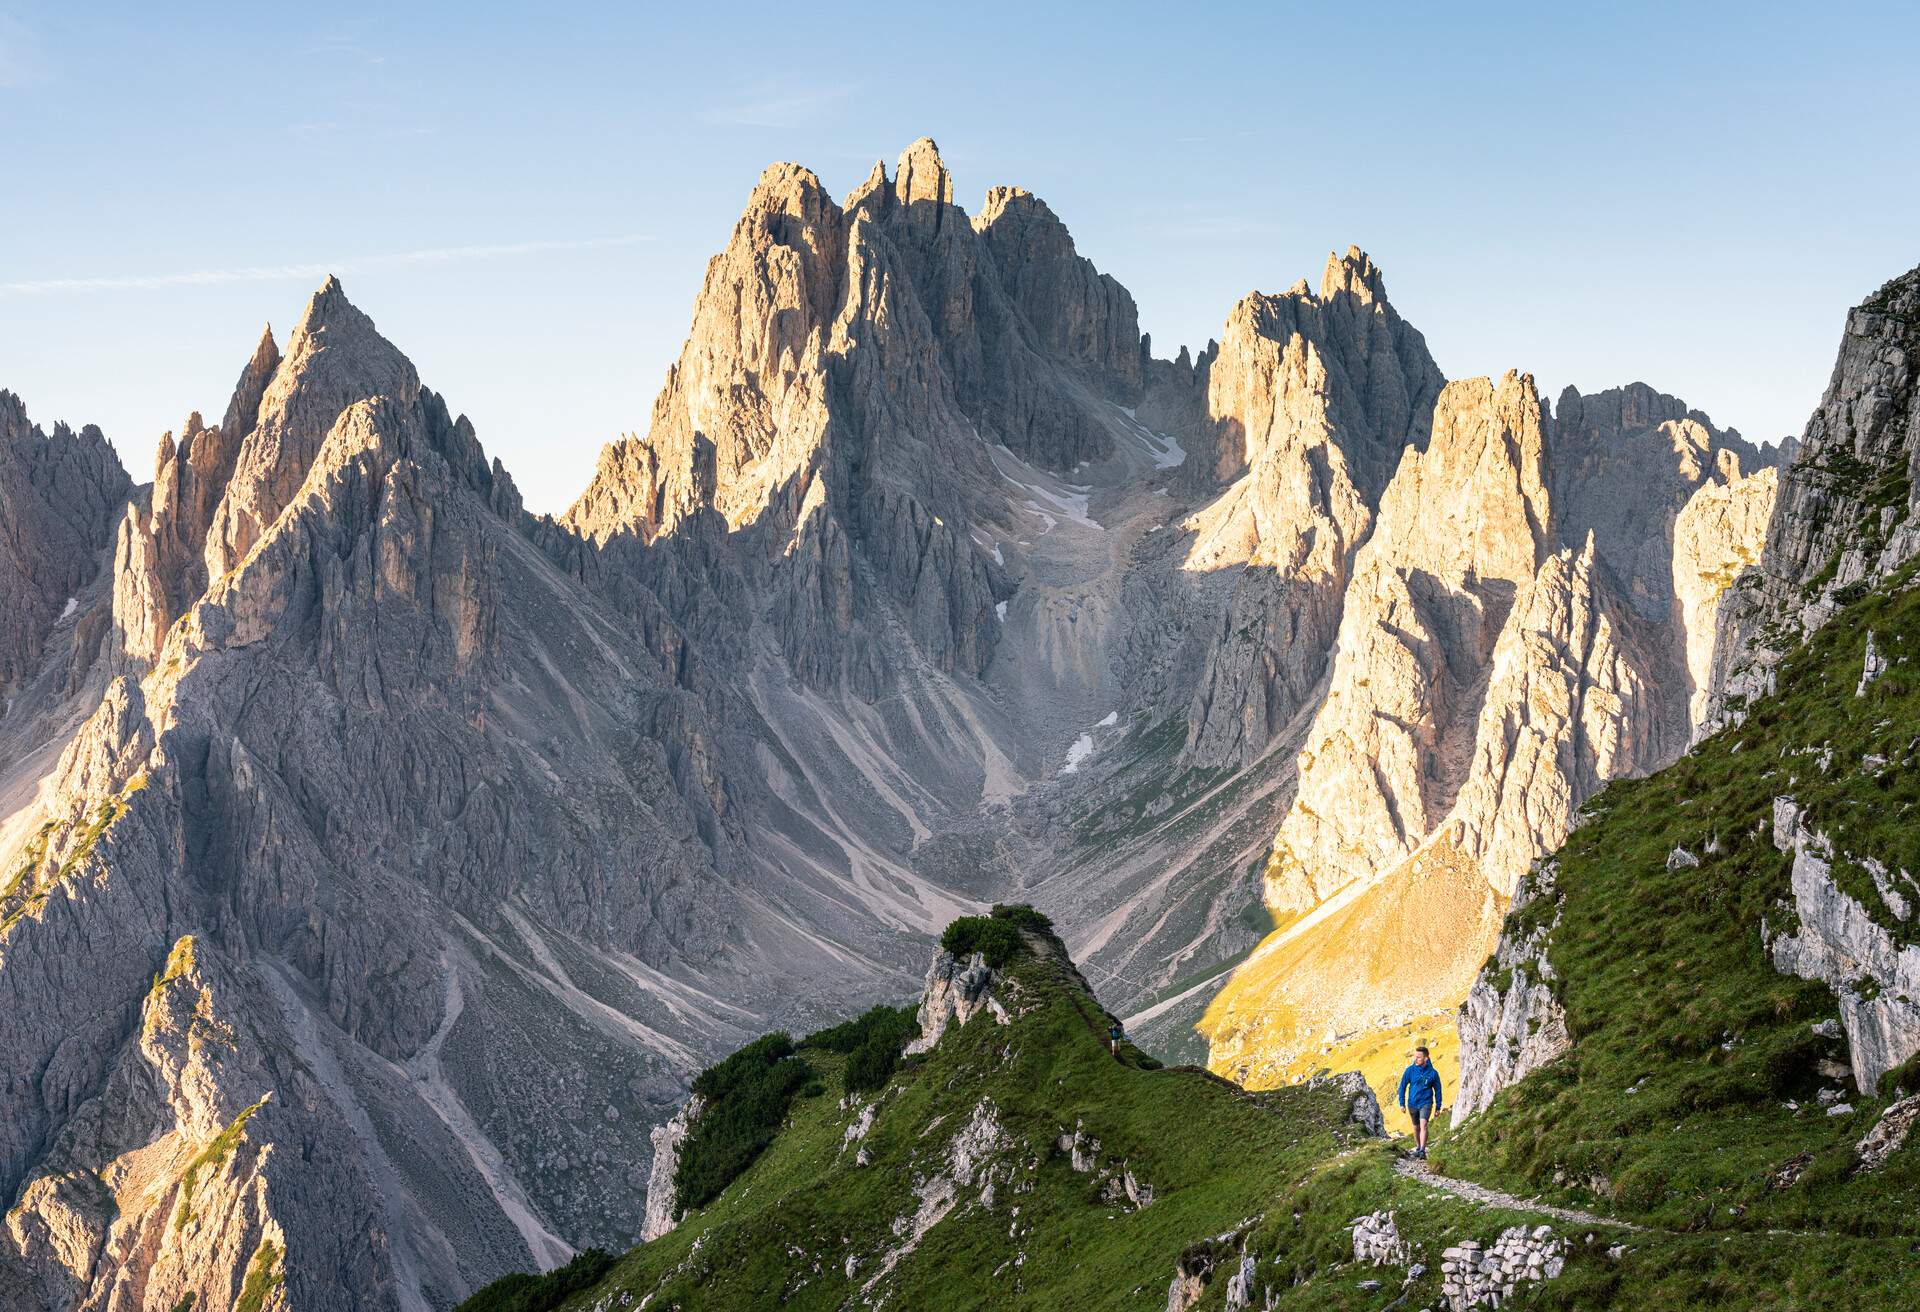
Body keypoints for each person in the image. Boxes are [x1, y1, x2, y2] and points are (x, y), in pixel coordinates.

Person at [1396, 1046, 1442, 1159]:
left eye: (1419, 1057)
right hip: (1412, 1103)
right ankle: (1418, 1147)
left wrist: (1438, 1107)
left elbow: (1438, 1090)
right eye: (1415, 1056)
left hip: (1426, 1102)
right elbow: (1402, 1087)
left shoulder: (1433, 1073)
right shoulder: (1410, 1070)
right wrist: (1401, 1103)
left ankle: (1422, 1150)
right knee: (1416, 1128)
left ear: (1426, 1058)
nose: (1416, 1059)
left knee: (1424, 1125)